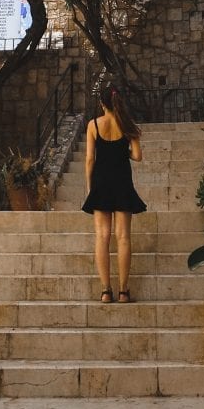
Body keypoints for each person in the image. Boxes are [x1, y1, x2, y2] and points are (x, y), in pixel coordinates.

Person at [82, 82, 146, 303]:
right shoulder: (128, 124)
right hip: (122, 182)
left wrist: (89, 186)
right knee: (124, 237)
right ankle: (124, 291)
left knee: (102, 236)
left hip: (101, 182)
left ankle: (105, 291)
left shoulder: (93, 125)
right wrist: (123, 150)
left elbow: (90, 159)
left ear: (102, 103)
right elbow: (137, 156)